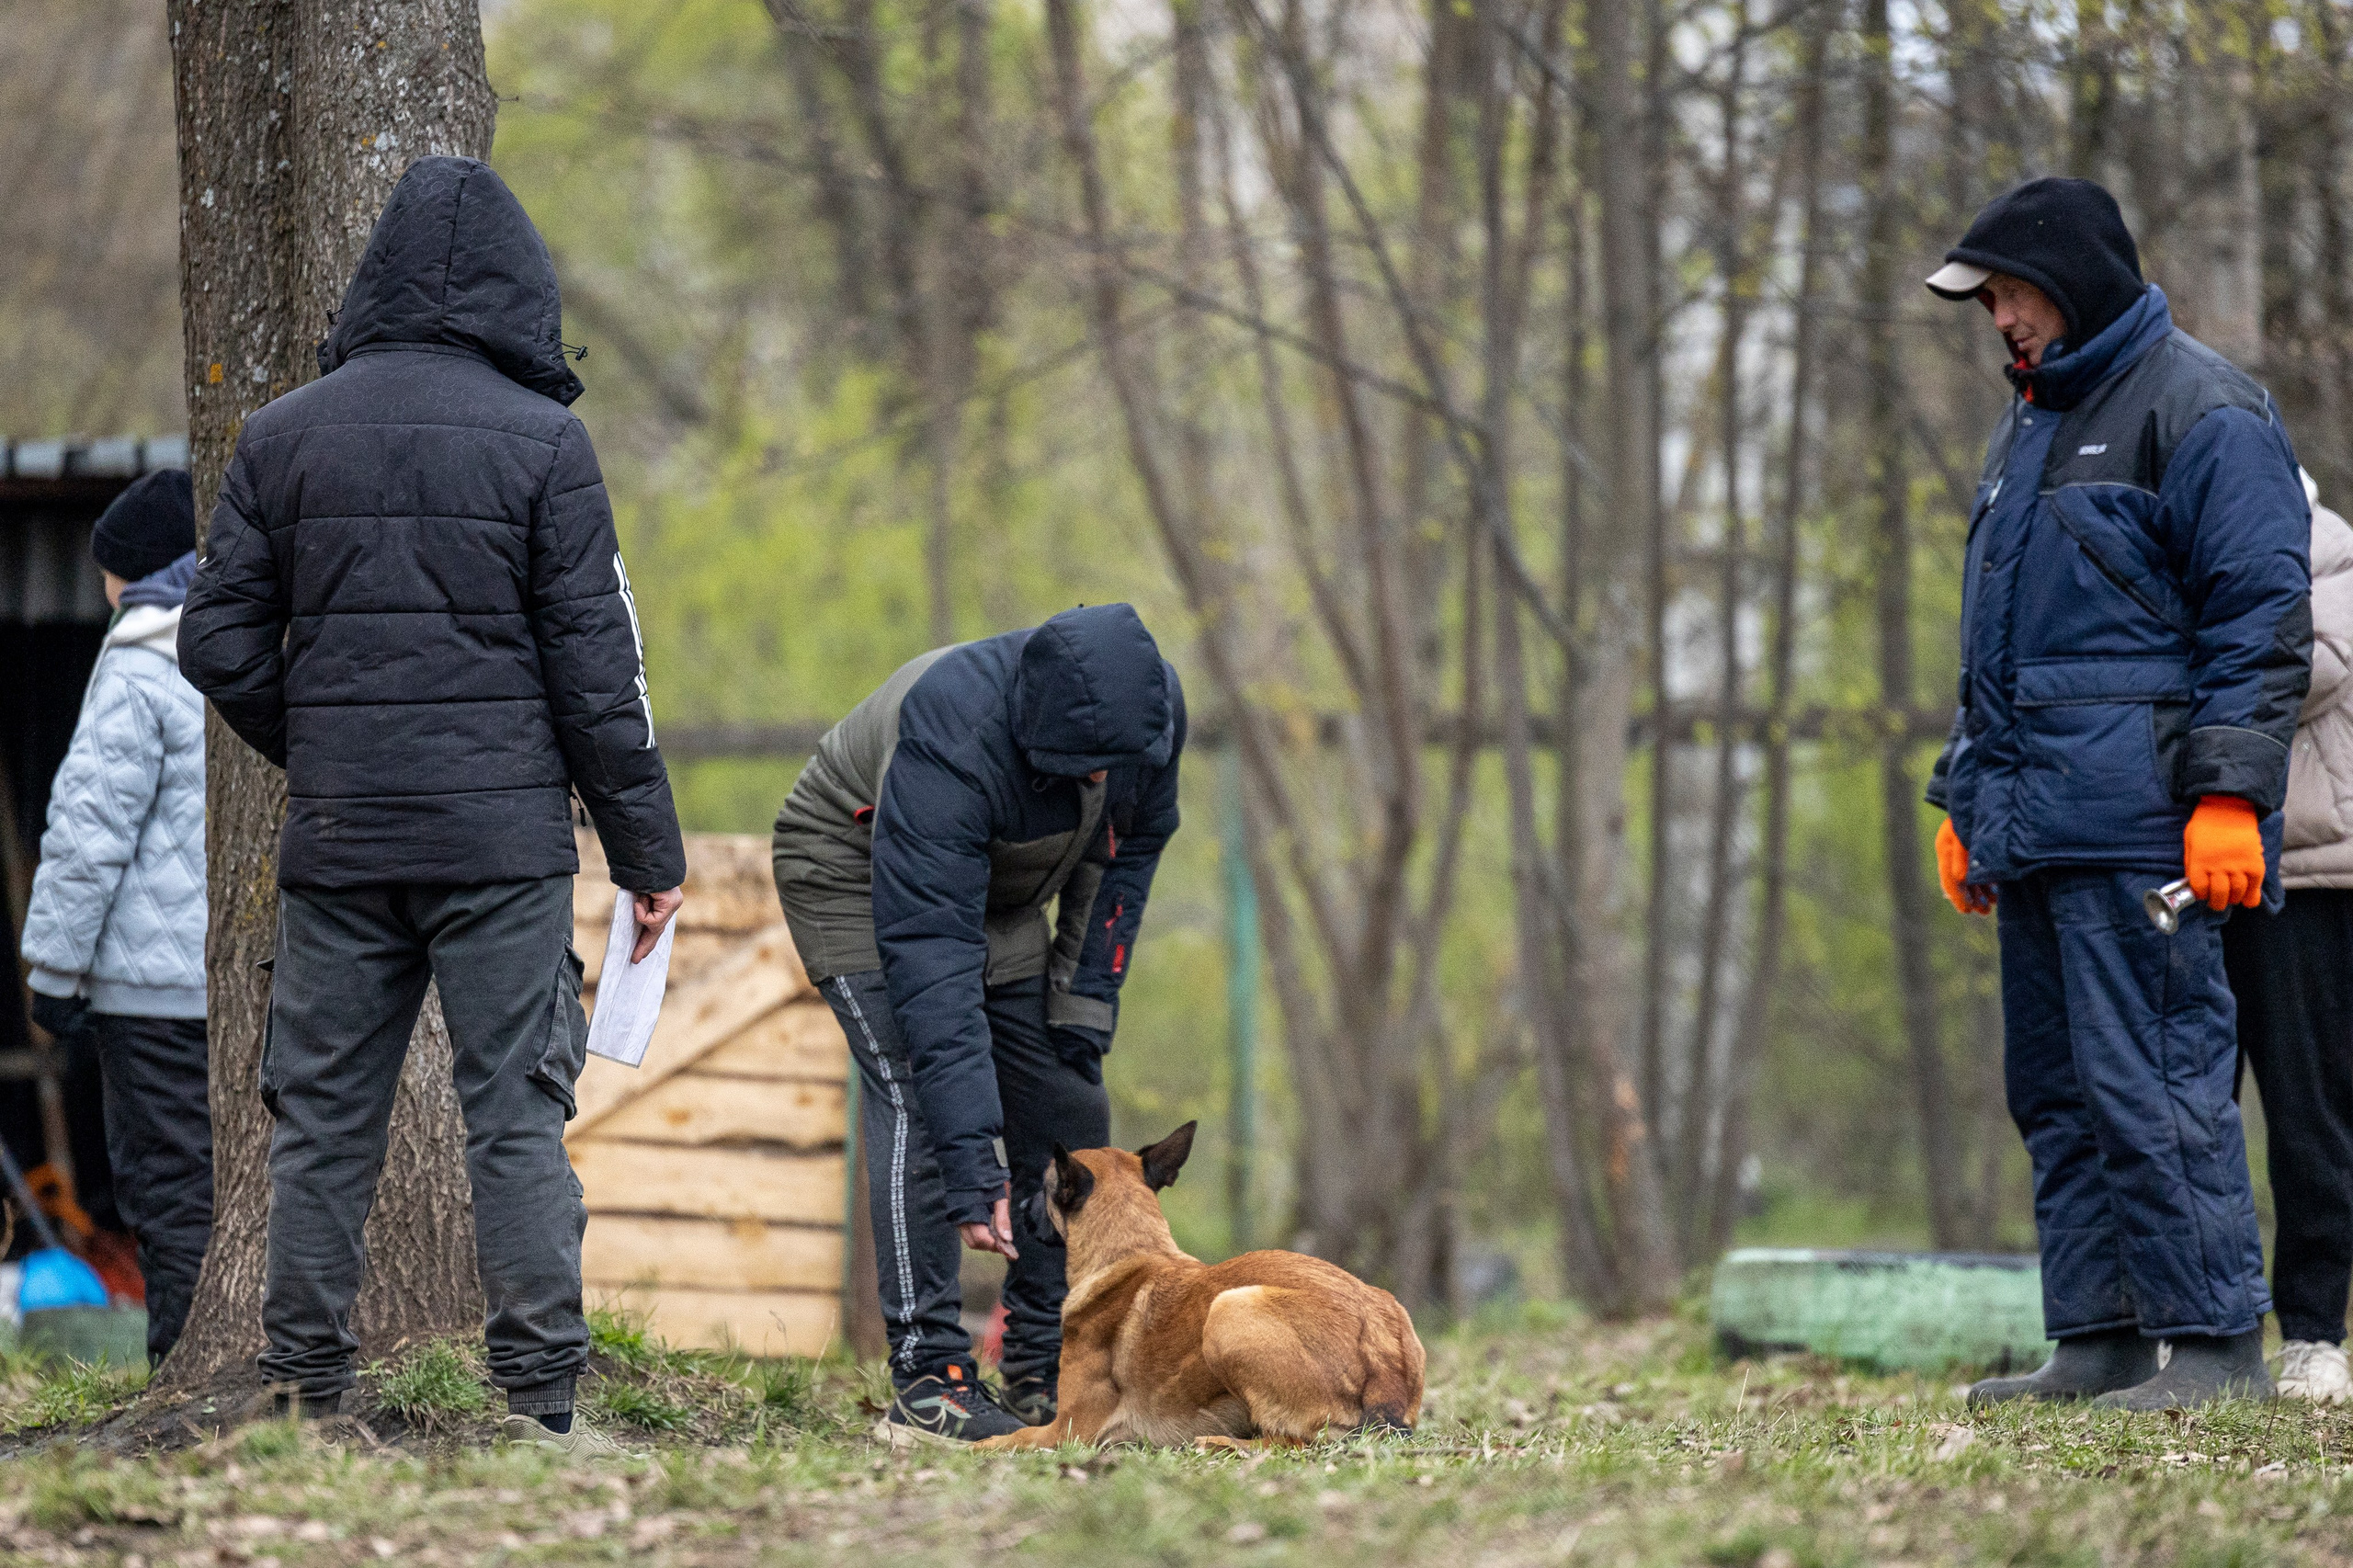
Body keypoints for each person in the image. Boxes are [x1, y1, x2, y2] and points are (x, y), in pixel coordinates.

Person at [178, 155, 687, 1455]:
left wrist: (327, 744)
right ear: (520, 290)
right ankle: (539, 1403)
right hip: (502, 847)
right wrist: (647, 851)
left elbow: (215, 636)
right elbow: (594, 668)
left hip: (342, 841)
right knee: (514, 1111)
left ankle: (301, 1394)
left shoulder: (283, 433)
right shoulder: (545, 443)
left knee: (322, 1120)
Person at [1925, 176, 2313, 1410]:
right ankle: (2097, 1333)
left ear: (2074, 278)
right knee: (2056, 1089)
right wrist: (1962, 798)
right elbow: (1996, 645)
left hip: (2143, 823)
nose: (2002, 320)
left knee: (2156, 1076)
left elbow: (2261, 622)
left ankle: (2209, 1347)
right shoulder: (2027, 425)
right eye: (1989, 301)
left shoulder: (2204, 410)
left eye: (2012, 292)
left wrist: (2228, 797)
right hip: (2035, 825)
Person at [772, 603, 1184, 1445]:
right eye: (1083, 768)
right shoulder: (952, 732)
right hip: (856, 873)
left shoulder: (1150, 718)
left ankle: (1041, 1364)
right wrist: (973, 1167)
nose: (1104, 780)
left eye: (1111, 769)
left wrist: (1081, 1004)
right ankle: (931, 1379)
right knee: (919, 1094)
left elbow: (1126, 858)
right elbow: (931, 961)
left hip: (996, 886)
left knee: (1067, 1105)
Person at [20, 468, 213, 1366]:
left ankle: (184, 1366)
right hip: (251, 983)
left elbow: (86, 835)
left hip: (151, 991)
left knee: (168, 1189)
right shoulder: (253, 647)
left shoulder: (139, 661)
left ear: (128, 576)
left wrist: (53, 976)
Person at [2222, 472, 2353, 1403]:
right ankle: (2204, 1325)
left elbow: (2302, 670)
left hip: (2307, 874)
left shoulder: (2330, 550)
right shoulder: (2203, 550)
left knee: (2309, 1111)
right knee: (2192, 1106)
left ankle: (2312, 1330)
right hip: (2206, 867)